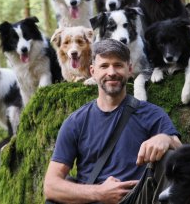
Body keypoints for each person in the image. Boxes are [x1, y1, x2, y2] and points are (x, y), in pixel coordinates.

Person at [43, 39, 182, 204]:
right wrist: (99, 193)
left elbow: (181, 152)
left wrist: (166, 139)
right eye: (104, 66)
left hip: (137, 198)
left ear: (129, 69)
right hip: (92, 198)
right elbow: (51, 186)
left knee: (170, 156)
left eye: (118, 65)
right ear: (93, 71)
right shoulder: (76, 122)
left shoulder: (151, 114)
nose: (111, 72)